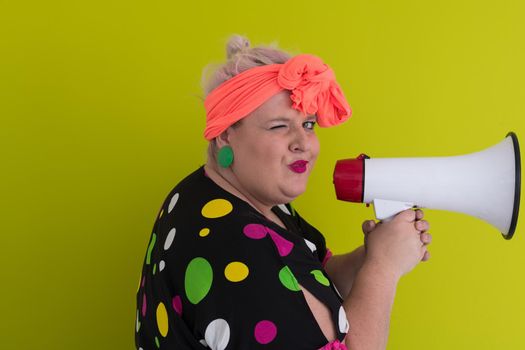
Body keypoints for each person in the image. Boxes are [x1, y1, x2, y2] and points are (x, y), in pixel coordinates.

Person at [135, 35, 432, 350]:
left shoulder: (228, 197)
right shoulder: (233, 245)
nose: (302, 143)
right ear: (224, 135)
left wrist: (372, 253)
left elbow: (309, 280)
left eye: (307, 124)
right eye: (279, 126)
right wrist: (384, 267)